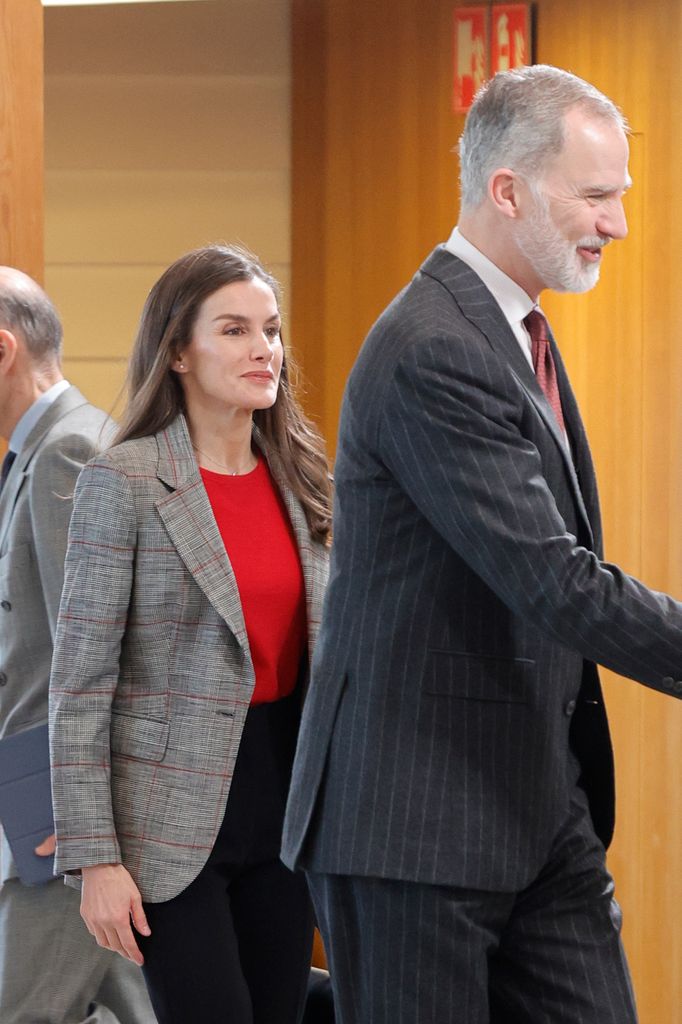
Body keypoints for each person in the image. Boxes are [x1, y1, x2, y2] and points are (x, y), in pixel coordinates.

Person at [281, 64, 682, 1023]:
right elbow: (553, 578)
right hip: (413, 827)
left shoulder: (516, 328)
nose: (617, 222)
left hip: (539, 810)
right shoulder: (433, 347)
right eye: (595, 195)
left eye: (619, 195)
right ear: (507, 192)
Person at [49, 244, 332, 1024]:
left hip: (287, 801)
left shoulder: (305, 478)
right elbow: (79, 685)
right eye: (235, 331)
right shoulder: (126, 480)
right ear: (178, 351)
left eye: (271, 331)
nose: (264, 350)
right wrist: (95, 858)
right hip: (167, 822)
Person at [0, 268, 156, 1023]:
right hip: (42, 799)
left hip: (58, 813)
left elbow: (94, 651)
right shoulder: (41, 452)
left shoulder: (69, 451)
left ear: (2, 350)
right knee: (131, 1004)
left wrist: (87, 810)